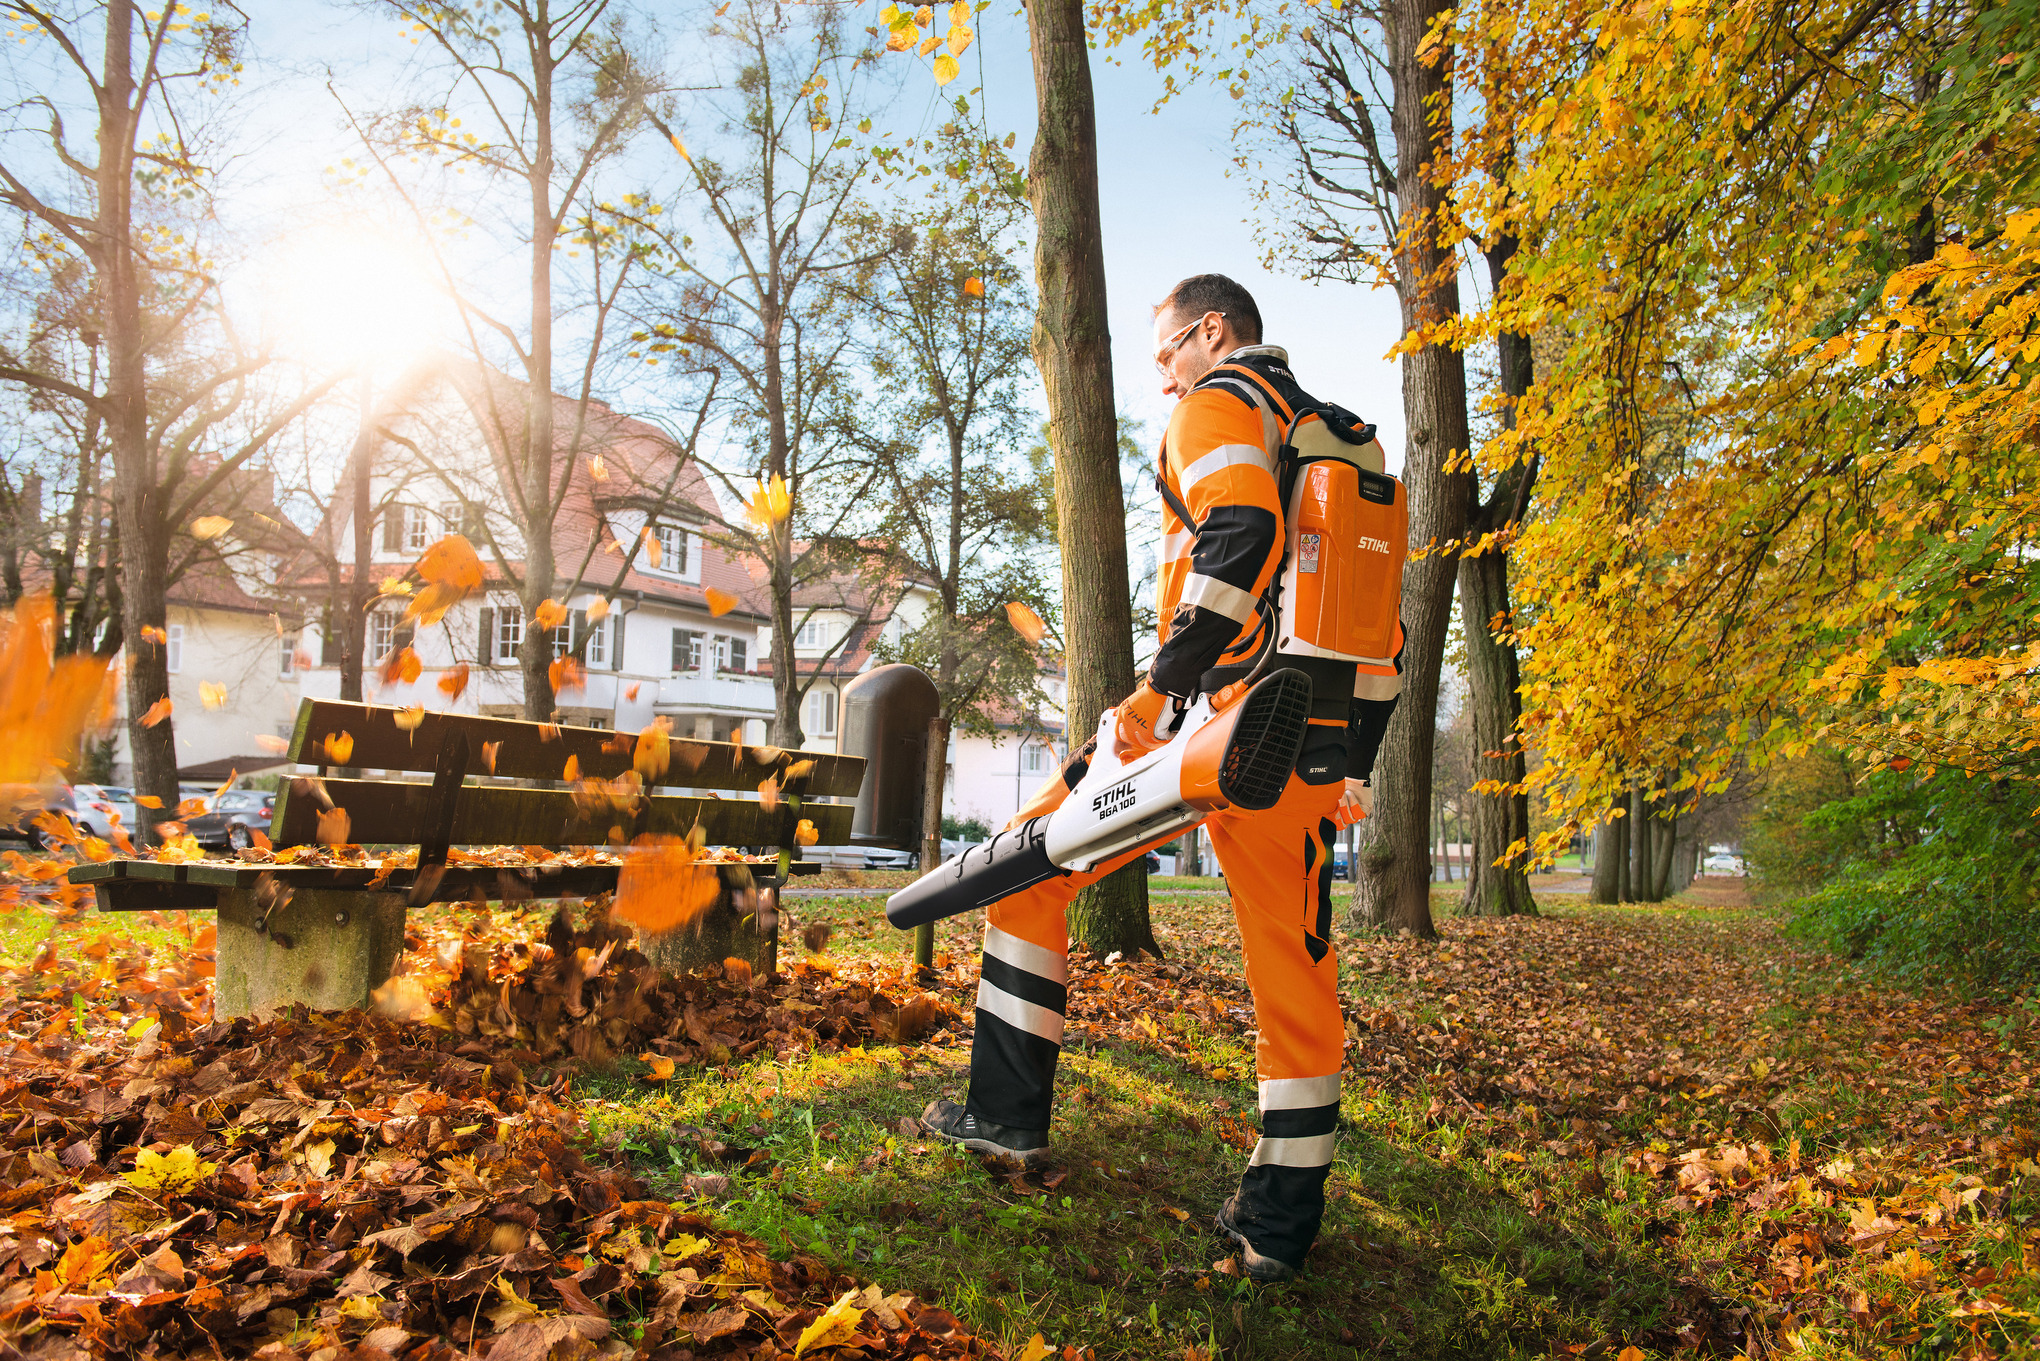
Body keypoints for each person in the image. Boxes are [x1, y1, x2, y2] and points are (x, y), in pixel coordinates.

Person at [920, 274, 1402, 1281]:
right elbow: (1381, 629)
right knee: (1297, 976)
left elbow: (1239, 538)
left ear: (1214, 333)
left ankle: (1003, 1117)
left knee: (1025, 869)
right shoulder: (1345, 440)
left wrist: (1152, 692)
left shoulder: (1221, 403)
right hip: (1307, 743)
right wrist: (1354, 758)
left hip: (1207, 725)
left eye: (1167, 350)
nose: (1163, 373)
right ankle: (1277, 1229)